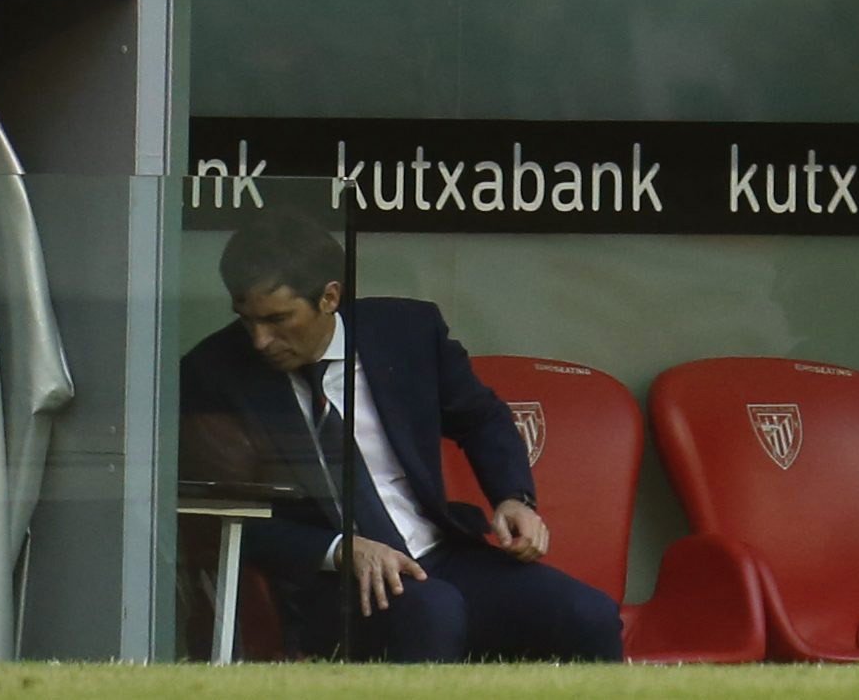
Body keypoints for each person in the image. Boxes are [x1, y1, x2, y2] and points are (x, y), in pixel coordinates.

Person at [176, 215, 621, 663]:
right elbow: (220, 516)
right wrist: (339, 550)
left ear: (330, 297)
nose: (259, 340)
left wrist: (513, 497)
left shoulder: (406, 331)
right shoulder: (215, 373)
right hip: (329, 582)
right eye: (247, 320)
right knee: (434, 611)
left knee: (590, 614)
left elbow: (481, 417)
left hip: (440, 553)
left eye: (277, 319)